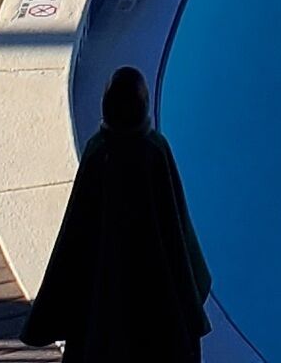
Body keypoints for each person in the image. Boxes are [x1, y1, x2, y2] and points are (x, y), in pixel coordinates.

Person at [20, 65, 210, 358]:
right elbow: (176, 226)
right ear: (144, 107)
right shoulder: (154, 150)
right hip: (158, 290)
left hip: (104, 288)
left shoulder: (99, 153)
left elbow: (76, 233)